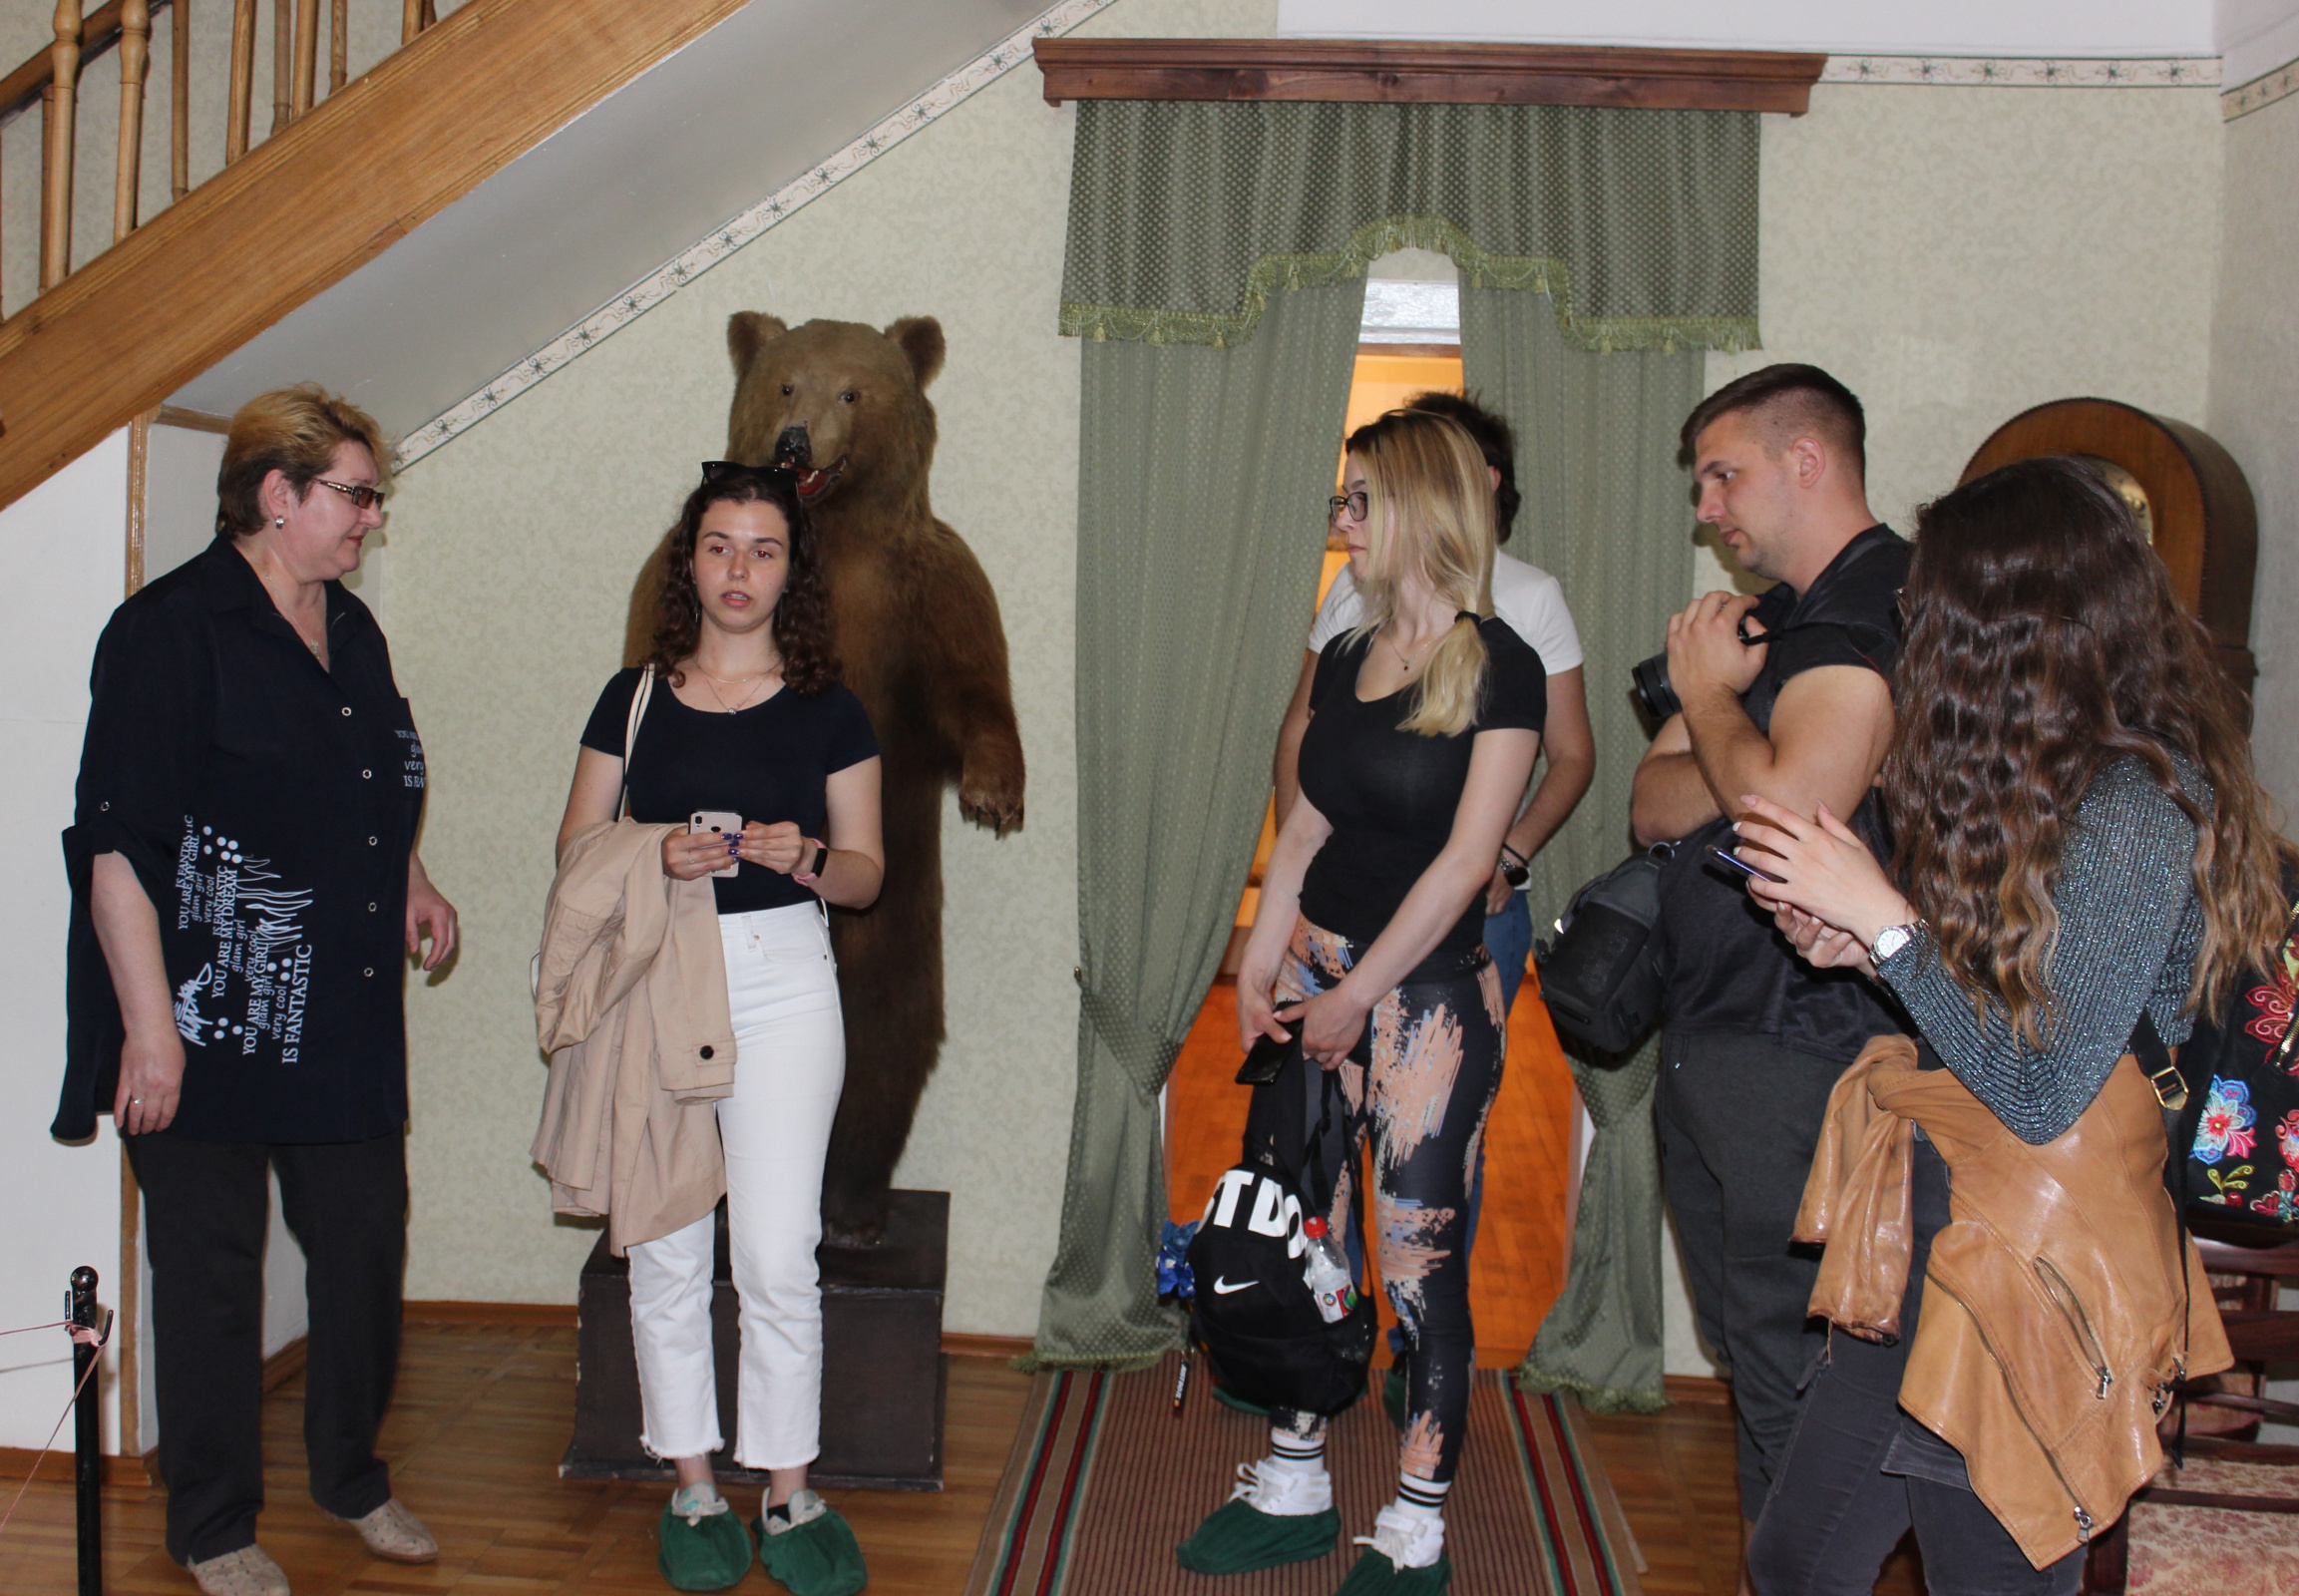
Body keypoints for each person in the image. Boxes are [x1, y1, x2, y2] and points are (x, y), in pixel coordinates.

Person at [1732, 456, 2284, 1592]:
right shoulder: (2044, 784)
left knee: (1983, 1574)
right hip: (1940, 1228)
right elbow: (2001, 1013)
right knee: (1794, 1563)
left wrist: (1887, 929)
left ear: (2005, 627)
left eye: (1927, 601)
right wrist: (1872, 951)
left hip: (2034, 1260)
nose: (1910, 621)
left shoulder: (2136, 807)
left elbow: (2040, 1091)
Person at [56, 385, 459, 1596]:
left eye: (374, 497)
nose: (372, 518)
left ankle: (351, 1478)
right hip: (203, 1017)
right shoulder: (169, 632)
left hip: (339, 1012)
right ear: (277, 496)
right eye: (356, 495)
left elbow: (372, 779)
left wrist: (410, 877)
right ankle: (212, 1522)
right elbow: (115, 845)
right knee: (213, 1280)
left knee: (363, 1248)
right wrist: (150, 1030)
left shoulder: (351, 627)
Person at [1182, 409, 1545, 1596]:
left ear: (1418, 509)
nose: (1339, 518)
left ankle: (1417, 1520)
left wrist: (1356, 996)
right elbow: (1306, 826)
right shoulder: (1347, 651)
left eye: (1358, 499)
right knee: (1304, 1233)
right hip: (1315, 980)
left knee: (1418, 1261)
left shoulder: (1501, 665)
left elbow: (1466, 863)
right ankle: (1295, 1476)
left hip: (1425, 1003)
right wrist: (1261, 964)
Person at [554, 461, 883, 1596]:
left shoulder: (831, 708)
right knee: (666, 1244)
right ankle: (692, 1482)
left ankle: (788, 1488)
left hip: (785, 980)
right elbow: (573, 848)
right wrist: (657, 849)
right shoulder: (631, 697)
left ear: (793, 572)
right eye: (719, 546)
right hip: (661, 979)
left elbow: (867, 874)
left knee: (778, 1254)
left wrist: (808, 857)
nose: (738, 570)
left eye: (763, 550)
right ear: (688, 561)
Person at [1628, 364, 1911, 1555]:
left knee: (1795, 1358)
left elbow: (1784, 822)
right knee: (1753, 1354)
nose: (1707, 510)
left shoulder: (1875, 609)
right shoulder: (1780, 623)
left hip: (1807, 1045)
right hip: (1716, 1033)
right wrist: (1733, 734)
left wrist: (1709, 703)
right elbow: (1651, 803)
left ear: (1807, 460)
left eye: (1722, 476)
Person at [1275, 389, 1593, 1014]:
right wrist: (1298, 871)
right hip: (1342, 902)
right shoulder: (1353, 587)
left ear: (1474, 481)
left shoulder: (1529, 602)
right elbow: (1300, 730)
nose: (1348, 520)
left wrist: (1507, 856)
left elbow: (1572, 754)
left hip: (1468, 912)